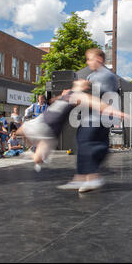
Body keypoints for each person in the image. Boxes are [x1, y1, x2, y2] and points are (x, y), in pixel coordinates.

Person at [56, 48, 119, 192]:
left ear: (99, 59)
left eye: (90, 58)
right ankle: (88, 177)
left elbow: (96, 96)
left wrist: (76, 91)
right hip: (91, 116)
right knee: (83, 142)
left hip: (98, 117)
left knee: (87, 143)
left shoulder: (105, 76)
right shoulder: (92, 76)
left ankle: (88, 177)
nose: (87, 61)